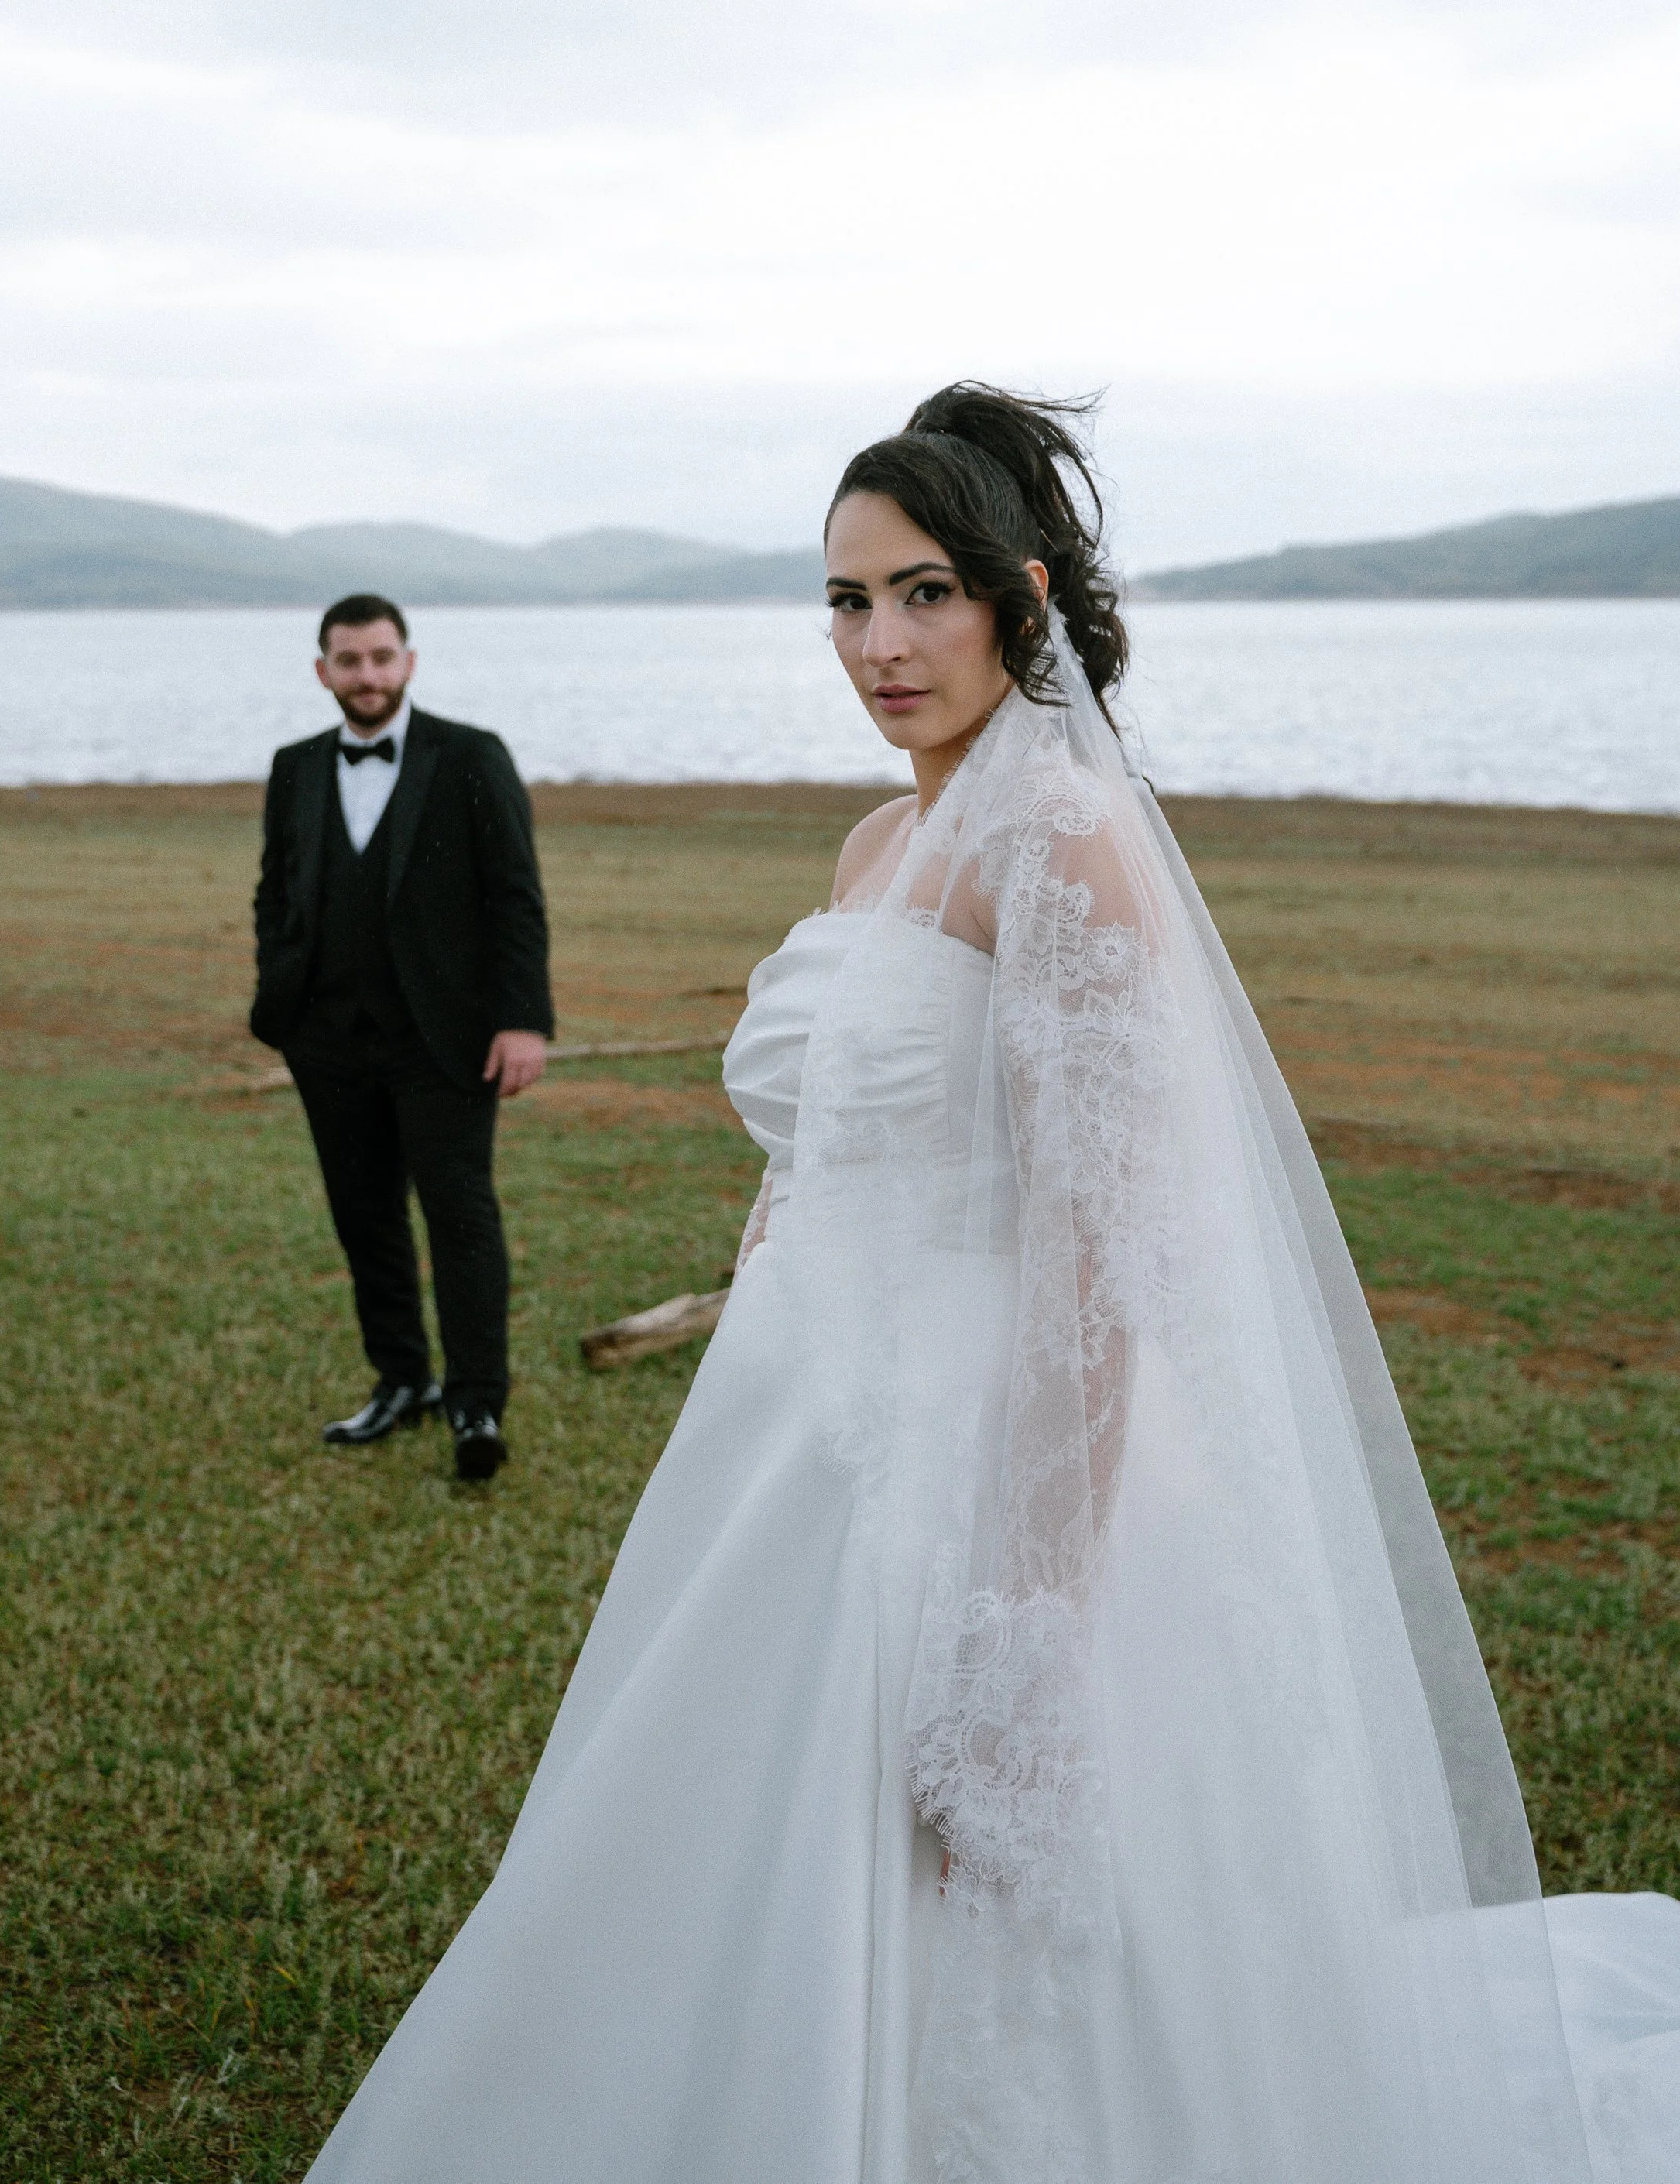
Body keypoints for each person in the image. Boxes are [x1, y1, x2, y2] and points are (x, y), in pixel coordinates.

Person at [302, 399, 1680, 2181]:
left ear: (1019, 596)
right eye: (844, 598)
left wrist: (1023, 1641)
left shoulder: (1070, 842)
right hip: (796, 1428)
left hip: (982, 1462)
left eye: (922, 590)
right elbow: (821, 1150)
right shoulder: (880, 846)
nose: (877, 641)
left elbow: (1107, 1264)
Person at [252, 593, 554, 1483]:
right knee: (363, 1216)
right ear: (323, 672)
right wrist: (280, 990)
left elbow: (515, 896)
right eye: (349, 661)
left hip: (444, 1038)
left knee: (460, 1215)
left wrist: (523, 1018)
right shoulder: (294, 767)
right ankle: (400, 1381)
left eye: (382, 657)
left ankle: (475, 1403)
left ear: (408, 662)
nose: (368, 676)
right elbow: (278, 889)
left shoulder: (469, 756)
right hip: (325, 1039)